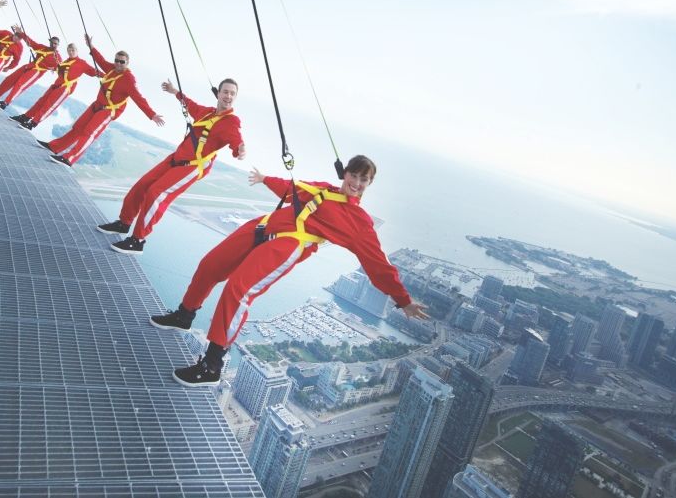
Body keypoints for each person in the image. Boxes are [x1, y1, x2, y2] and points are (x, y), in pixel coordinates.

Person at [149, 154, 430, 387]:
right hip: (262, 226)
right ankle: (184, 314)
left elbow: (377, 262)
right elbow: (292, 188)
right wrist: (265, 179)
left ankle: (211, 365)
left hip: (288, 244)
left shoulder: (358, 221)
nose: (356, 183)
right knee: (210, 265)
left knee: (238, 289)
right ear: (345, 174)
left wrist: (402, 299)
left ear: (369, 184)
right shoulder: (323, 189)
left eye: (363, 179)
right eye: (353, 175)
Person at [97, 78, 245, 254]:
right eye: (225, 92)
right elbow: (190, 104)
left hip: (192, 166)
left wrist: (240, 149)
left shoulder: (231, 122)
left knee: (156, 193)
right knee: (142, 185)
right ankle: (124, 223)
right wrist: (175, 91)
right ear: (218, 93)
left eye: (232, 93)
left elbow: (236, 140)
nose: (228, 96)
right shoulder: (207, 112)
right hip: (176, 158)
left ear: (235, 97)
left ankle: (138, 240)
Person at [40, 35, 164, 167]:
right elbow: (100, 61)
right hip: (97, 105)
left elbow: (139, 98)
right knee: (78, 127)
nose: (118, 63)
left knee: (89, 132)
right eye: (117, 60)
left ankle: (70, 158)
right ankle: (54, 147)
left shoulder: (129, 79)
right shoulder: (112, 69)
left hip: (110, 110)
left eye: (122, 62)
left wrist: (152, 114)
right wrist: (91, 47)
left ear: (127, 63)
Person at [10, 43, 97, 129]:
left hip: (65, 87)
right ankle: (26, 117)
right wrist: (55, 68)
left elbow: (93, 72)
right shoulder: (66, 62)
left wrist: (105, 75)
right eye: (69, 51)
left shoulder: (82, 63)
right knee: (41, 102)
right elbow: (60, 71)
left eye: (73, 50)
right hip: (56, 85)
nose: (71, 52)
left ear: (77, 51)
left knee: (49, 106)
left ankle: (33, 123)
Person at [0, 33, 61, 109]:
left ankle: (5, 103)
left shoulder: (57, 57)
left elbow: (61, 70)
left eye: (55, 44)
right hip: (27, 67)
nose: (53, 45)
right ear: (50, 42)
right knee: (9, 80)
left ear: (57, 45)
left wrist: (56, 67)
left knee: (19, 85)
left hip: (36, 72)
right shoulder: (42, 48)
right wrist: (22, 33)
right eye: (52, 42)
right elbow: (31, 42)